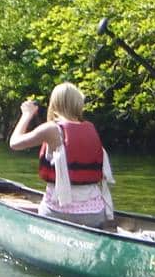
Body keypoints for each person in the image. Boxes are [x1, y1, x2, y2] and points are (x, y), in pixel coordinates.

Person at [10, 82, 115, 223]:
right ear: (78, 104)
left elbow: (14, 143)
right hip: (95, 214)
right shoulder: (90, 128)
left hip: (59, 213)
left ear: (55, 103)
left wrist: (27, 114)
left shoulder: (52, 129)